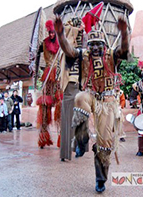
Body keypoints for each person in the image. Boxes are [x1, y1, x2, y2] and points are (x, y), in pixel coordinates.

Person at [54, 15, 129, 193]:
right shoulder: (83, 55)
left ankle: (100, 179)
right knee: (79, 97)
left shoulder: (112, 55)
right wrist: (60, 34)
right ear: (88, 46)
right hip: (90, 95)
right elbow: (68, 50)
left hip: (108, 102)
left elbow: (124, 49)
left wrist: (124, 32)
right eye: (92, 44)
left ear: (104, 46)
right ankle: (82, 139)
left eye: (99, 44)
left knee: (104, 145)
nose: (95, 47)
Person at [59, 17, 85, 162]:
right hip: (69, 87)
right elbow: (66, 40)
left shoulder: (82, 52)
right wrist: (77, 29)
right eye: (78, 32)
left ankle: (79, 148)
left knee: (81, 119)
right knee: (67, 120)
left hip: (79, 88)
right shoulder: (67, 48)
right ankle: (65, 153)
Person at [36, 19, 63, 149]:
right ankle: (43, 136)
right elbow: (35, 51)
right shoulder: (44, 43)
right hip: (47, 74)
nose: (51, 35)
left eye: (52, 32)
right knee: (45, 105)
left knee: (60, 104)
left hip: (58, 75)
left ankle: (61, 137)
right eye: (49, 33)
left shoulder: (60, 41)